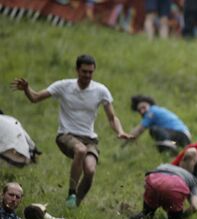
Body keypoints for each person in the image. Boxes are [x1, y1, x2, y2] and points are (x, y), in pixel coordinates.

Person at [12, 54, 131, 208]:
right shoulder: (64, 86)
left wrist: (120, 131)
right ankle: (71, 193)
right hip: (66, 135)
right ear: (77, 70)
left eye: (91, 72)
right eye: (84, 71)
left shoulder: (101, 90)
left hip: (90, 139)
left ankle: (74, 205)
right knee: (80, 150)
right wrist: (27, 89)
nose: (87, 75)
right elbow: (35, 98)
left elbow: (111, 117)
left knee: (90, 170)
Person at [129, 164, 197, 219]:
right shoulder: (193, 180)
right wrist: (182, 215)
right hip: (175, 186)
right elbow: (195, 207)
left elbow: (147, 182)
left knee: (146, 215)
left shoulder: (165, 165)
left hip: (155, 180)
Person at [127, 95, 191, 154]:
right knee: (162, 144)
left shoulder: (151, 111)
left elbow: (139, 130)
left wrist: (126, 139)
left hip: (180, 136)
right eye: (139, 110)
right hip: (180, 140)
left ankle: (167, 145)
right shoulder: (158, 110)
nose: (142, 111)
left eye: (143, 107)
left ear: (149, 104)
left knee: (154, 129)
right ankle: (171, 149)